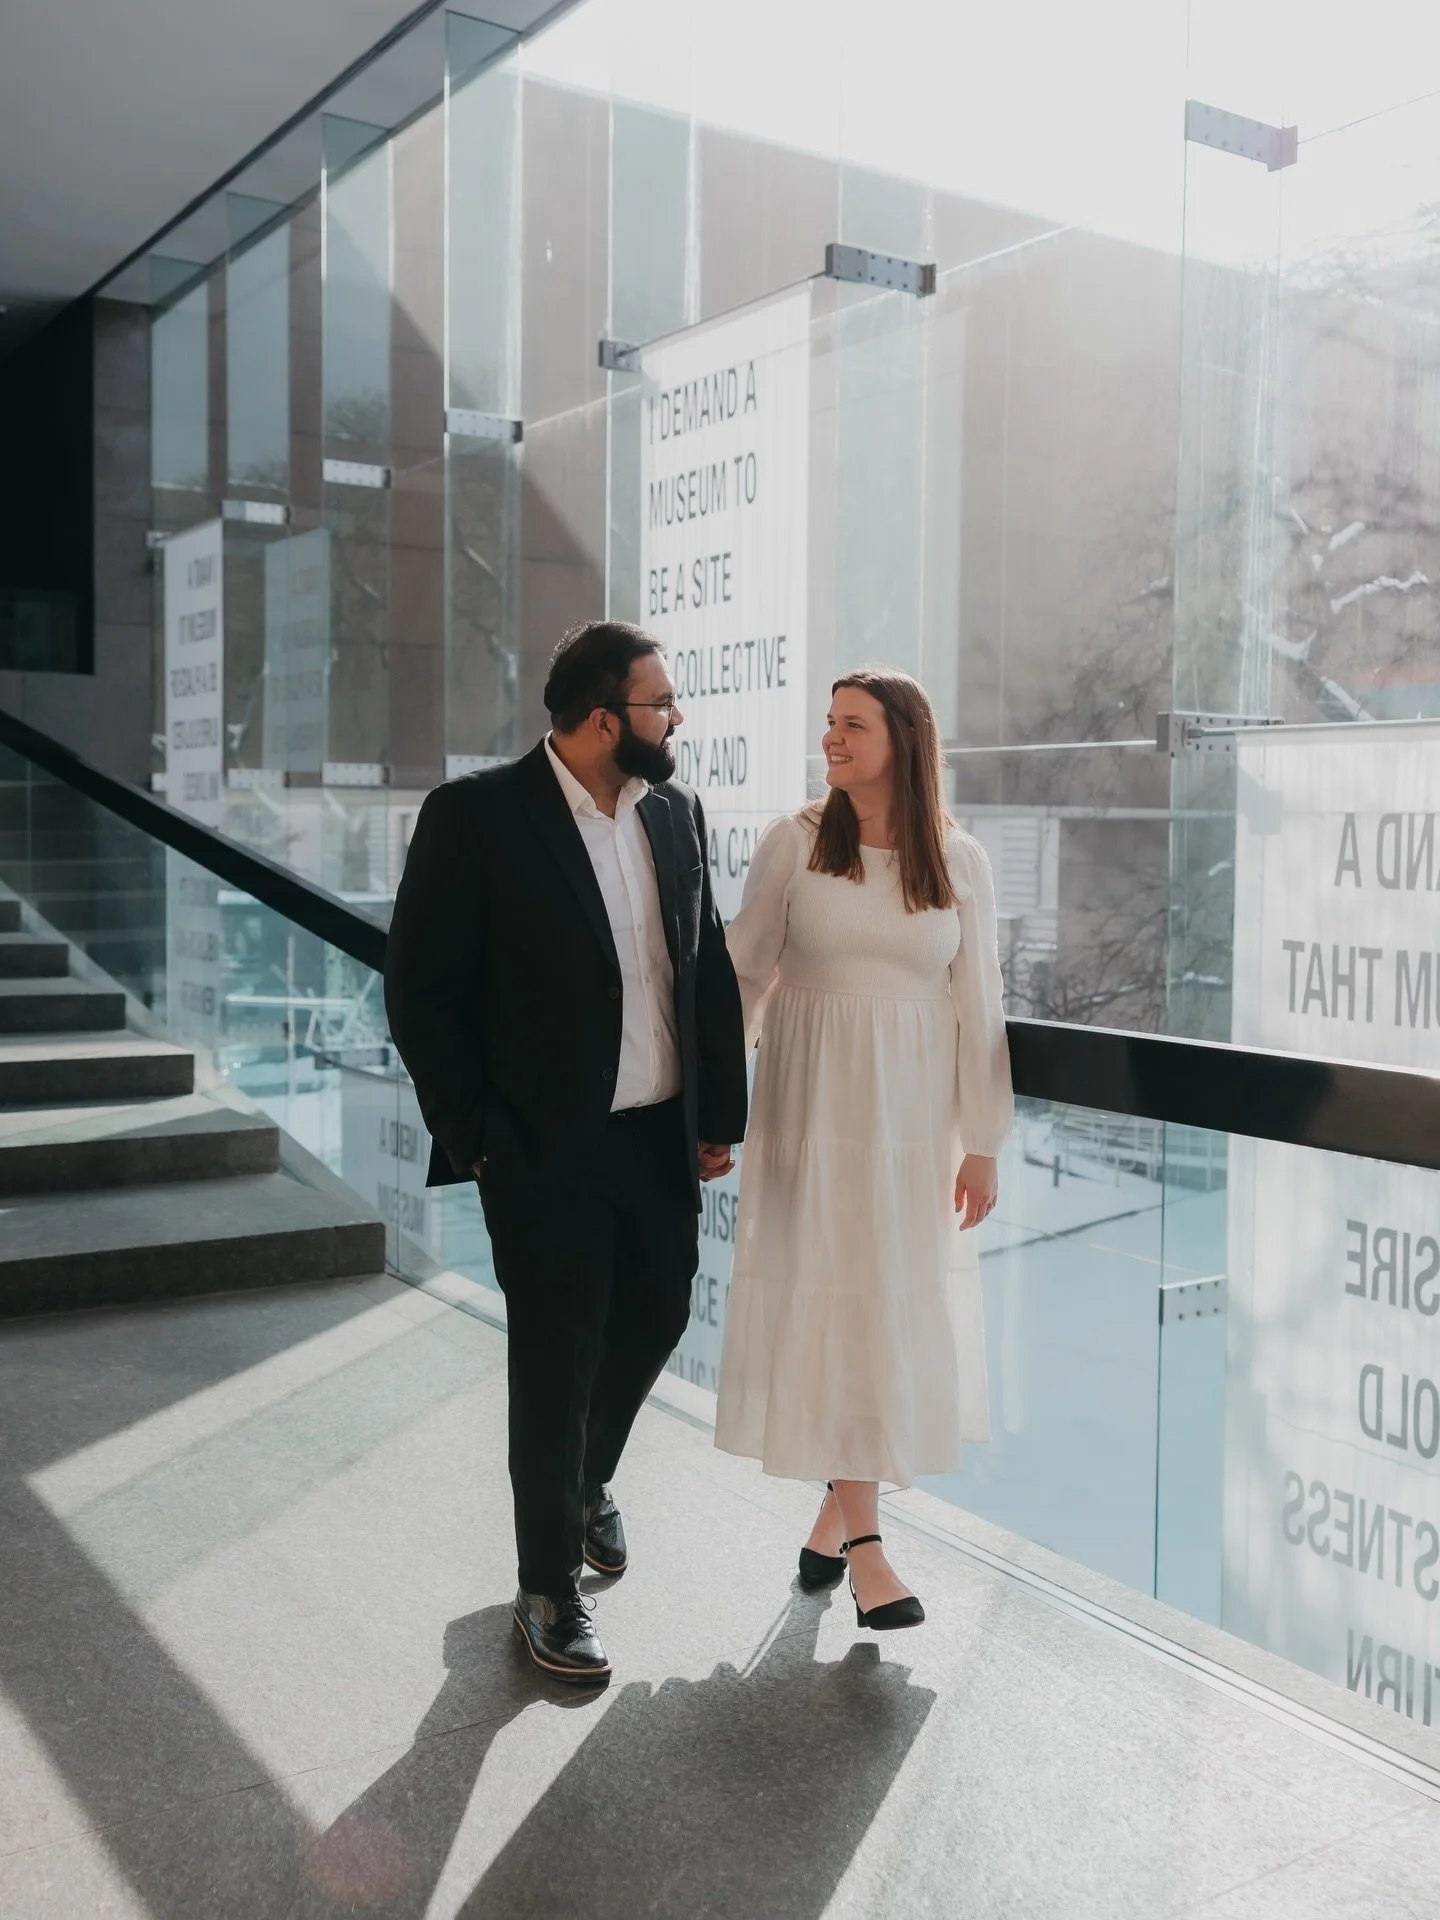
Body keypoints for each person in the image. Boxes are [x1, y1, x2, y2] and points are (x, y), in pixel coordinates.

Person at [385, 621, 747, 1684]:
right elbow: (421, 989)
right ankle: (547, 1585)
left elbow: (707, 967)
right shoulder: (478, 817)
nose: (675, 718)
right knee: (555, 1357)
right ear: (602, 719)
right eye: (659, 703)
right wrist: (480, 1135)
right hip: (543, 1148)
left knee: (659, 1314)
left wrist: (717, 1112)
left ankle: (583, 1482)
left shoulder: (675, 814)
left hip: (656, 1139)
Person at [715, 667, 1012, 1629]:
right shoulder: (793, 843)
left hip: (913, 1131)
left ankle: (832, 1519)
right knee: (832, 1308)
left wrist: (983, 1144)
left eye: (853, 725)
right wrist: (713, 1107)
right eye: (829, 725)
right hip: (811, 1119)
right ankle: (873, 1551)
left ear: (905, 741)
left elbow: (981, 1010)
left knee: (882, 1316)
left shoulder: (959, 860)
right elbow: (744, 975)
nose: (832, 740)